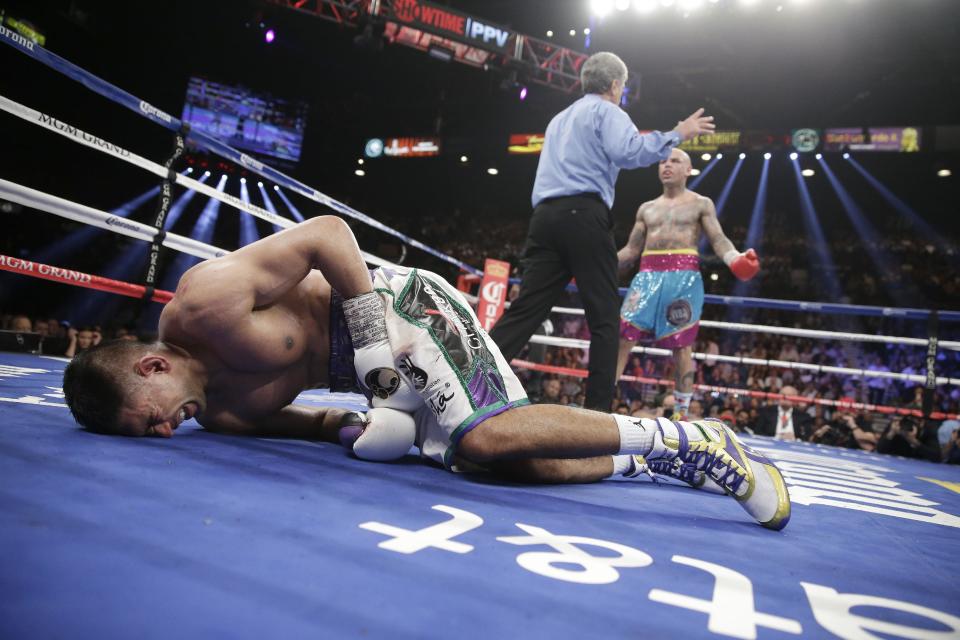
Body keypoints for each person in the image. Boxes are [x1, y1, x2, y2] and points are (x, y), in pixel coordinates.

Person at [62, 216, 790, 530]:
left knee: (485, 438)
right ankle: (657, 465)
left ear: (153, 364)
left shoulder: (206, 302)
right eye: (150, 435)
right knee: (507, 465)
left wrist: (371, 336)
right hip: (387, 382)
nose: (163, 431)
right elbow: (321, 422)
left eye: (147, 414)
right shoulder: (219, 412)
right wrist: (364, 428)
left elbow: (327, 235)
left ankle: (697, 440)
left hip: (400, 306)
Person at [489, 51, 716, 412]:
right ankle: (596, 415)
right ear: (615, 85)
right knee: (605, 319)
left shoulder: (559, 119)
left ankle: (472, 385)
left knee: (525, 311)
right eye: (622, 86)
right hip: (583, 216)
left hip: (544, 220)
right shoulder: (607, 111)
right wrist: (678, 134)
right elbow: (630, 152)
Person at [616, 147, 760, 418]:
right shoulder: (646, 208)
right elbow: (631, 251)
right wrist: (597, 267)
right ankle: (602, 400)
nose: (666, 165)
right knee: (623, 337)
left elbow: (718, 239)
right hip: (646, 276)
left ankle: (680, 411)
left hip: (683, 277)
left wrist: (735, 259)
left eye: (674, 161)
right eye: (662, 161)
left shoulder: (700, 203)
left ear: (688, 170)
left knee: (682, 346)